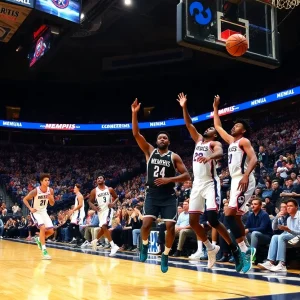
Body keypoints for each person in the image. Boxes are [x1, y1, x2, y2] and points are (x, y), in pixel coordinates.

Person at [177, 92, 243, 270]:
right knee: (192, 221)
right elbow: (189, 124)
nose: (208, 130)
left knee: (213, 220)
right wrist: (184, 107)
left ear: (214, 135)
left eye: (211, 130)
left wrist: (210, 157)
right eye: (207, 129)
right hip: (196, 184)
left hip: (210, 183)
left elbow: (221, 151)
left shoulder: (213, 144)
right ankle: (210, 248)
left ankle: (234, 249)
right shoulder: (198, 140)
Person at [131, 98, 190, 273]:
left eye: (165, 137)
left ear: (168, 142)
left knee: (170, 227)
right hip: (152, 194)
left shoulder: (174, 156)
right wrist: (134, 114)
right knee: (146, 224)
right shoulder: (149, 151)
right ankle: (144, 245)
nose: (162, 139)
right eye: (159, 137)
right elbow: (136, 134)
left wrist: (169, 180)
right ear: (156, 141)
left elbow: (187, 175)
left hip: (168, 196)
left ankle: (165, 254)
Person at [213, 95, 257, 274]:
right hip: (235, 180)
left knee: (229, 215)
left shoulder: (244, 141)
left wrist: (246, 176)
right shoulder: (232, 141)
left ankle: (245, 251)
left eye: (238, 125)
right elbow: (217, 126)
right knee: (233, 216)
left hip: (244, 178)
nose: (234, 127)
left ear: (244, 130)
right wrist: (215, 108)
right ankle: (247, 248)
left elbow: (253, 158)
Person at [23, 173, 55, 259]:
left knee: (51, 231)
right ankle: (44, 251)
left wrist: (50, 198)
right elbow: (25, 199)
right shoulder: (36, 191)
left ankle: (39, 239)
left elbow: (52, 204)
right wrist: (30, 208)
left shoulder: (50, 190)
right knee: (43, 228)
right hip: (36, 212)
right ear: (41, 182)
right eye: (45, 180)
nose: (48, 182)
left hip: (44, 212)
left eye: (48, 180)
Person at [89, 175, 120, 257]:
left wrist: (113, 203)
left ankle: (113, 246)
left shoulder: (109, 189)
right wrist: (94, 207)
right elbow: (90, 202)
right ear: (96, 181)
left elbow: (116, 197)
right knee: (103, 228)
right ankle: (95, 240)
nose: (99, 179)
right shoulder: (94, 191)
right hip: (100, 212)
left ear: (104, 180)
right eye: (97, 178)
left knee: (104, 226)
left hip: (108, 210)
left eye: (101, 178)